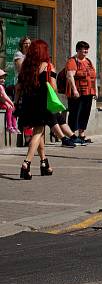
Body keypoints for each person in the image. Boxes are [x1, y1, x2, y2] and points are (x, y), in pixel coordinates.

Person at [14, 39, 55, 179]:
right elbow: (54, 87)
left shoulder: (26, 66)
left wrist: (15, 103)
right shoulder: (48, 66)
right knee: (38, 132)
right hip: (41, 103)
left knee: (39, 133)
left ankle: (44, 164)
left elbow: (18, 86)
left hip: (27, 102)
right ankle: (27, 163)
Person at [65, 41, 97, 144]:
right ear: (78, 50)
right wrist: (74, 89)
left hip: (88, 92)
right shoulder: (72, 61)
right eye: (84, 49)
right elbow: (70, 76)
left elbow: (93, 77)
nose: (86, 51)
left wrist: (95, 90)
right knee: (75, 113)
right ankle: (72, 135)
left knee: (85, 113)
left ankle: (81, 134)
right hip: (77, 92)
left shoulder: (88, 61)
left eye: (87, 49)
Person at [0, 68, 19, 135]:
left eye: (4, 78)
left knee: (12, 108)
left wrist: (9, 103)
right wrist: (10, 103)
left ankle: (14, 126)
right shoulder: (0, 87)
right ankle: (9, 126)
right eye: (1, 78)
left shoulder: (2, 86)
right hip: (1, 103)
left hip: (2, 102)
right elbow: (4, 96)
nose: (3, 80)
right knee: (10, 108)